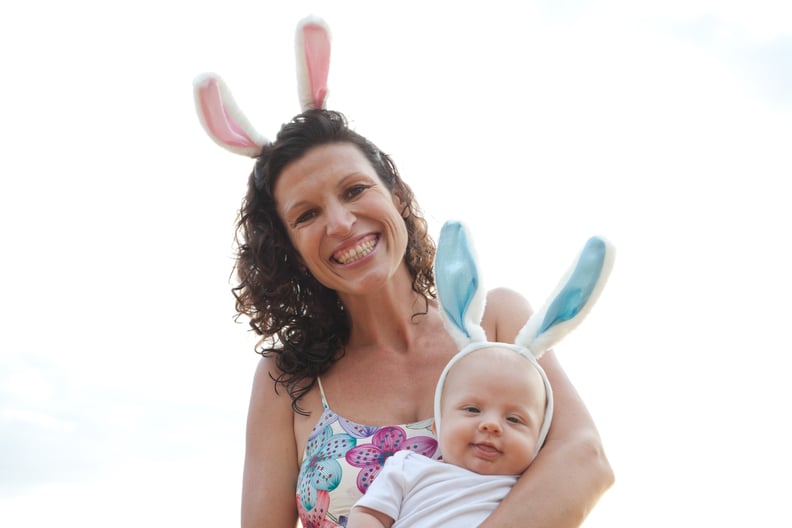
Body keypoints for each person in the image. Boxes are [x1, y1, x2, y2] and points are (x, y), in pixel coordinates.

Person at [193, 17, 614, 528]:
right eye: (307, 215)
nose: (342, 224)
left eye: (354, 190)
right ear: (289, 248)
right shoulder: (287, 381)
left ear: (394, 193)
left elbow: (585, 460)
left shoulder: (498, 323)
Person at [347, 345, 550, 527]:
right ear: (438, 426)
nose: (492, 425)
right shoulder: (408, 468)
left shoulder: (529, 490)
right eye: (472, 409)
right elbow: (368, 513)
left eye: (514, 419)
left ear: (538, 442)